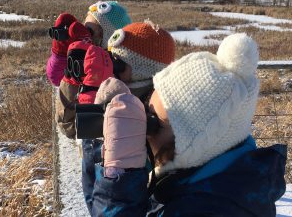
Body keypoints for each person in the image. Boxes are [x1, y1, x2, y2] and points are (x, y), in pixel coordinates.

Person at [91, 33, 287, 216]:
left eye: (154, 122)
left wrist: (118, 180)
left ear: (192, 144)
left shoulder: (203, 209)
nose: (145, 131)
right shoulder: (223, 180)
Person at [80, 22, 176, 215]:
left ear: (144, 71)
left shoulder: (165, 124)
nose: (108, 68)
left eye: (115, 62)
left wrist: (116, 138)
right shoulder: (114, 98)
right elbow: (94, 195)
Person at [55, 1, 132, 139]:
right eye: (83, 29)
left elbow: (71, 127)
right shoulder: (86, 60)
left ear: (108, 36)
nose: (85, 36)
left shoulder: (121, 74)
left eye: (89, 32)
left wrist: (78, 82)